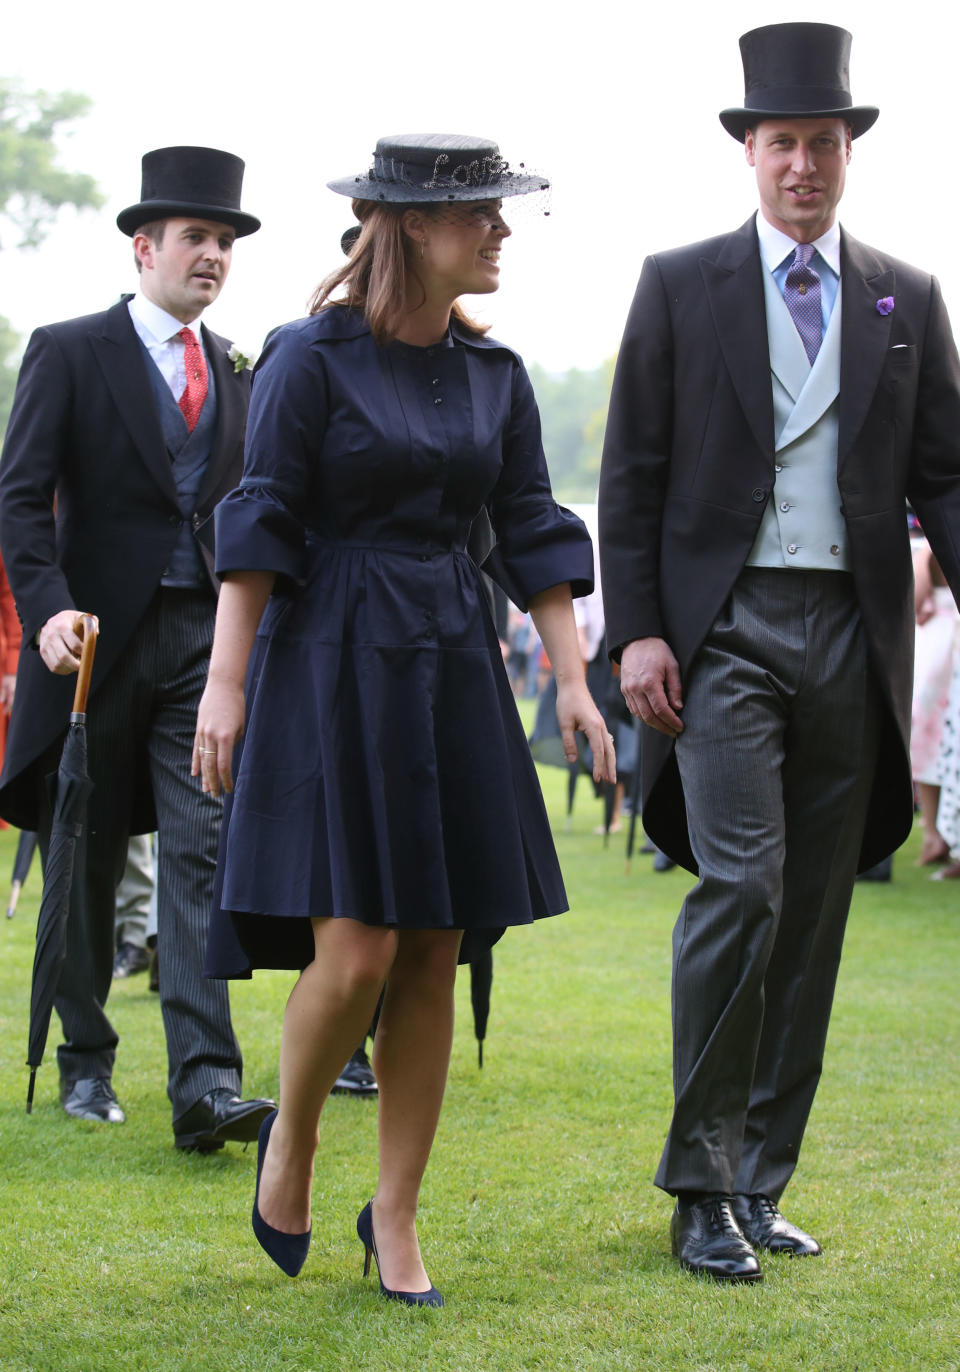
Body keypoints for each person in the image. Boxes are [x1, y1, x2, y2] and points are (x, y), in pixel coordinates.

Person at [194, 133, 615, 1302]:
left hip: (451, 662)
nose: (499, 233)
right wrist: (225, 683)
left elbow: (533, 530)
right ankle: (295, 1135)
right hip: (328, 655)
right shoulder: (306, 358)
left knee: (435, 945)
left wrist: (575, 680)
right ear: (409, 229)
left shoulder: (498, 376)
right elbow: (261, 516)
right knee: (359, 947)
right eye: (480, 213)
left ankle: (398, 1214)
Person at [599, 23, 960, 1282]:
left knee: (811, 916)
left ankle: (761, 1180)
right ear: (749, 154)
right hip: (724, 632)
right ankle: (700, 1179)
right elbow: (630, 475)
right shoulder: (679, 280)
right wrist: (636, 626)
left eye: (823, 142)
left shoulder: (904, 297)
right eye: (781, 143)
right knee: (741, 887)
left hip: (854, 638)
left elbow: (946, 478)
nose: (802, 163)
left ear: (849, 153)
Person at [0, 146, 275, 1149]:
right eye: (197, 238)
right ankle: (83, 1059)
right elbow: (21, 495)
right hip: (93, 644)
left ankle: (205, 1082)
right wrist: (46, 606)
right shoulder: (68, 349)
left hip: (204, 644)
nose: (214, 255)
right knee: (85, 850)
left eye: (227, 241)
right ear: (143, 246)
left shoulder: (240, 369)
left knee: (203, 849)